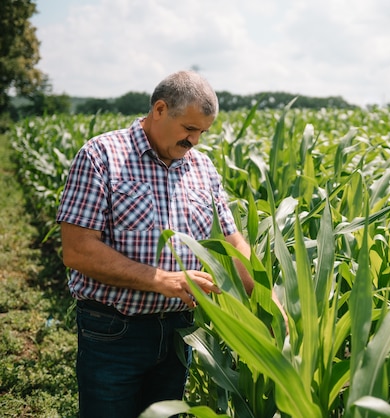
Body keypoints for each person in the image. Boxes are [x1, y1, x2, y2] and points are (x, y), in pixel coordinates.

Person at [56, 70, 274, 417]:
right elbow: (78, 250)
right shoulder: (102, 155)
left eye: (203, 132)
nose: (196, 141)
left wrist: (271, 303)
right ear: (159, 109)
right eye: (189, 129)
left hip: (179, 334)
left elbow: (230, 243)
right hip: (114, 331)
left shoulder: (202, 168)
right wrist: (163, 280)